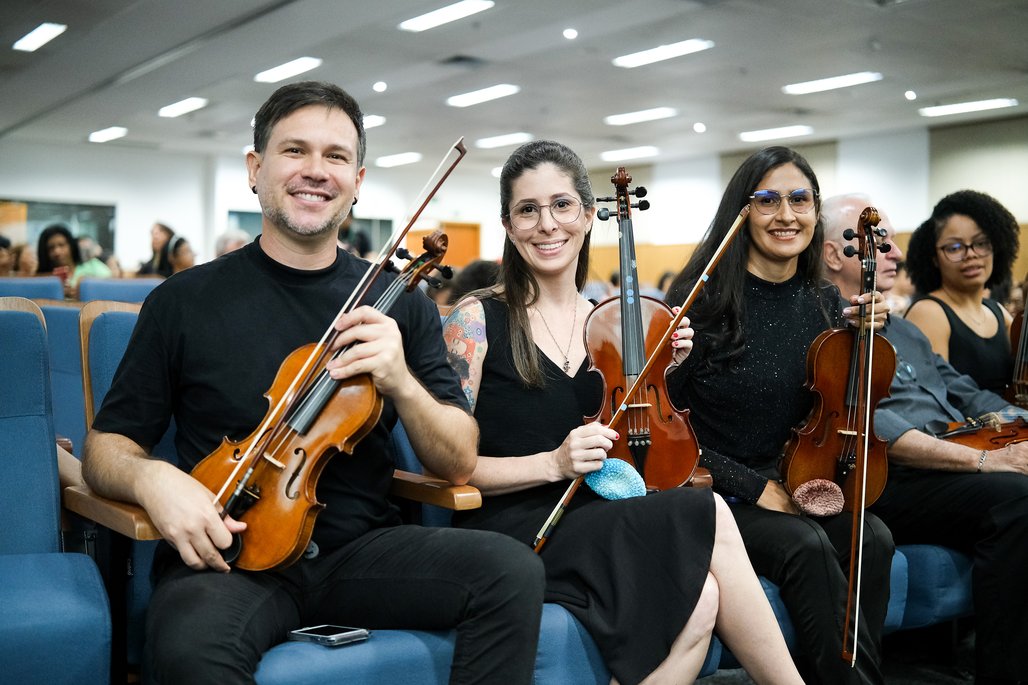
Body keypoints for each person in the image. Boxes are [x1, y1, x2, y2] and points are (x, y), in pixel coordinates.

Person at [81, 81, 545, 685]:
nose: (316, 171)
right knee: (191, 651)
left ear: (357, 180)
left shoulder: (398, 303)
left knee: (510, 572)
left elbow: (456, 460)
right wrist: (152, 479)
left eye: (336, 156)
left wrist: (399, 378)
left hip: (360, 551)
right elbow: (105, 448)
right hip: (234, 554)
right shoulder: (183, 301)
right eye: (295, 150)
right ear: (255, 168)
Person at [443, 140, 804, 685]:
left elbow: (641, 450)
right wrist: (552, 463)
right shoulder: (476, 317)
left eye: (562, 205)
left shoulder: (610, 323)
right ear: (508, 225)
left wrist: (668, 367)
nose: (547, 224)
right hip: (515, 531)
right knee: (709, 512)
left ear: (589, 216)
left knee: (702, 599)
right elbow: (451, 466)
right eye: (528, 209)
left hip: (599, 518)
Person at [664, 147, 894, 684]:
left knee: (874, 537)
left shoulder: (823, 300)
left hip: (796, 481)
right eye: (766, 200)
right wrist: (751, 485)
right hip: (718, 492)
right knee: (805, 545)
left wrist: (865, 339)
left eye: (799, 199)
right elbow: (666, 428)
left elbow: (834, 405)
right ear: (741, 212)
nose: (785, 215)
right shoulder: (699, 302)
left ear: (816, 211)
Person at [822, 193, 1028, 685]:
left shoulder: (901, 327)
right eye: (882, 242)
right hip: (892, 477)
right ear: (834, 255)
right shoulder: (829, 330)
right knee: (1016, 499)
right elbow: (877, 431)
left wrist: (1014, 420)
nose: (895, 253)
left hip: (947, 465)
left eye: (891, 241)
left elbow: (963, 390)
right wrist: (982, 463)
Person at [901, 190, 1019, 395]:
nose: (971, 254)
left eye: (981, 243)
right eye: (954, 248)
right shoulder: (929, 312)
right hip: (963, 426)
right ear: (934, 258)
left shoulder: (998, 312)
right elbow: (936, 397)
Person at [37, 224, 113, 296]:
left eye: (61, 245)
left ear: (71, 246)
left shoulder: (91, 265)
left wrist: (85, 288)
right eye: (51, 248)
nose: (57, 251)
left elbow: (111, 285)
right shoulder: (43, 278)